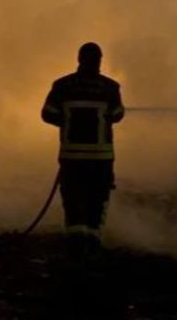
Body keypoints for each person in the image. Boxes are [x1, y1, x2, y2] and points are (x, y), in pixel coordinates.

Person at [41, 42, 125, 234]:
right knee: (97, 199)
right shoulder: (110, 87)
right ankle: (92, 240)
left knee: (73, 198)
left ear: (79, 59)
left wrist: (69, 121)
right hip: (101, 158)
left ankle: (75, 240)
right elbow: (118, 114)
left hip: (72, 157)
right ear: (99, 61)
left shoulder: (62, 85)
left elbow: (47, 114)